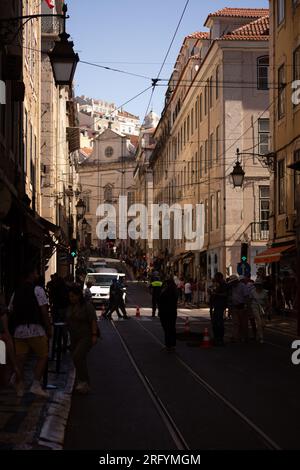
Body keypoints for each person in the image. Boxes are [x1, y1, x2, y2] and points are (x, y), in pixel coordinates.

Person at [8, 265, 52, 398]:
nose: (37, 275)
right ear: (31, 274)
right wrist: (48, 328)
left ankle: (19, 385)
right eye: (36, 273)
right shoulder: (37, 290)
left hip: (19, 331)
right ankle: (36, 384)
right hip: (35, 330)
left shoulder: (17, 291)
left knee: (21, 359)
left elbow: (11, 310)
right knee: (43, 356)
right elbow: (44, 311)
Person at [66, 284, 99, 394]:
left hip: (86, 336)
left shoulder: (87, 306)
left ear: (79, 295)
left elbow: (93, 320)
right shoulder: (70, 306)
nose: (71, 298)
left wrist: (94, 335)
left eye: (73, 296)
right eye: (70, 296)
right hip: (74, 337)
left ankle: (84, 381)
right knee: (80, 359)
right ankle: (82, 381)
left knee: (77, 356)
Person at [0, 295, 21, 384]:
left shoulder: (3, 312)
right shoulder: (3, 313)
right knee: (5, 341)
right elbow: (6, 332)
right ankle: (15, 368)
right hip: (3, 338)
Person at [227, 274, 250, 342]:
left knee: (244, 323)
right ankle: (236, 337)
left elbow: (246, 296)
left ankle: (245, 337)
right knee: (236, 323)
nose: (232, 283)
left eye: (233, 282)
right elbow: (230, 297)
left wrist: (246, 305)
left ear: (236, 281)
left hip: (242, 306)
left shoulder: (242, 286)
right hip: (235, 306)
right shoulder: (232, 287)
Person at [158, 277, 178, 352]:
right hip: (172, 312)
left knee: (167, 329)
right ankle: (172, 345)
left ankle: (168, 346)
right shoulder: (174, 291)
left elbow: (161, 301)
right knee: (172, 328)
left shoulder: (166, 291)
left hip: (165, 313)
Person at [210, 273, 228, 346]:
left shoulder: (223, 284)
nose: (214, 278)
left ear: (219, 277)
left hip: (220, 305)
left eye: (215, 277)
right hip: (216, 305)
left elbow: (225, 294)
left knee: (219, 322)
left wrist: (216, 294)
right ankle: (216, 337)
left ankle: (220, 338)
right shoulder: (217, 285)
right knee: (215, 322)